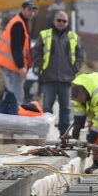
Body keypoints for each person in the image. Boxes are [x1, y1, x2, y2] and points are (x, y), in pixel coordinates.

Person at [32, 8, 85, 139]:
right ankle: (46, 132)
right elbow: (36, 52)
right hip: (49, 78)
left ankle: (64, 132)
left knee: (65, 108)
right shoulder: (45, 35)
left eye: (64, 21)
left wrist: (74, 68)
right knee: (47, 107)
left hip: (66, 79)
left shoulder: (73, 37)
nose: (61, 23)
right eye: (59, 20)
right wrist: (41, 67)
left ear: (67, 23)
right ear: (54, 21)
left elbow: (80, 55)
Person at [0, 0, 37, 115]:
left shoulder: (19, 22)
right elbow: (16, 47)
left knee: (13, 94)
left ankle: (8, 118)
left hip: (10, 65)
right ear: (22, 10)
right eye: (29, 10)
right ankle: (14, 121)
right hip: (12, 66)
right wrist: (21, 67)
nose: (31, 13)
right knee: (16, 96)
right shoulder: (18, 24)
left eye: (33, 11)